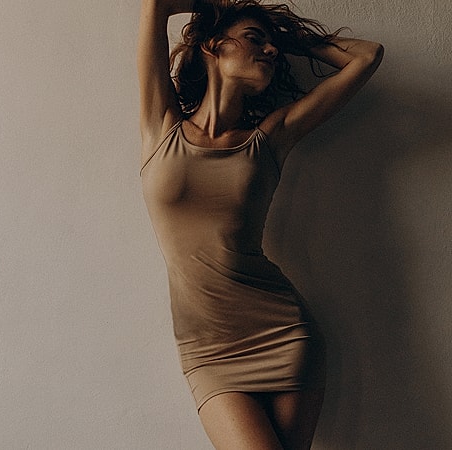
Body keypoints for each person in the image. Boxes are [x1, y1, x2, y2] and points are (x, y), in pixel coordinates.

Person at [137, 0, 383, 449]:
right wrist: (210, 8)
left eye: (272, 44)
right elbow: (153, 6)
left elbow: (367, 56)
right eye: (254, 38)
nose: (269, 50)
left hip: (285, 335)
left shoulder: (268, 140)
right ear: (213, 45)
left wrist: (288, 38)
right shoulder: (161, 126)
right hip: (207, 352)